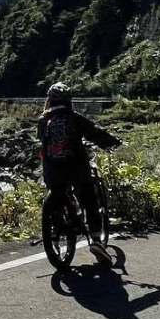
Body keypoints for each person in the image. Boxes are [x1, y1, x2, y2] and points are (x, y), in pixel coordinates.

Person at [37, 82, 122, 266]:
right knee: (89, 198)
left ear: (49, 100)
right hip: (76, 167)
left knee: (57, 192)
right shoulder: (74, 117)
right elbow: (95, 133)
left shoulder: (43, 120)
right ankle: (97, 240)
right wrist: (115, 145)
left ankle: (58, 222)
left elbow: (42, 141)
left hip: (52, 170)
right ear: (69, 100)